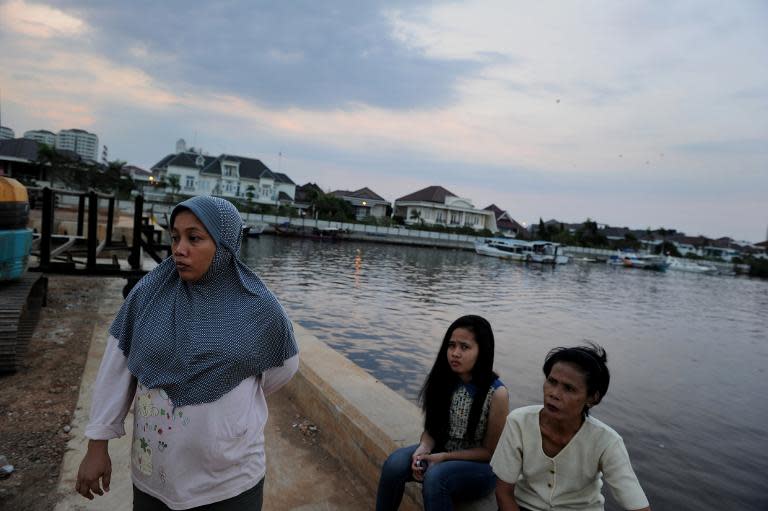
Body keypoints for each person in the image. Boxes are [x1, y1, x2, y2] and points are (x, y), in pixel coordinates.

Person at [75, 196, 299, 510]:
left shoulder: (259, 307)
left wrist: (227, 396)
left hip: (230, 482)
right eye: (175, 237)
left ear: (225, 244)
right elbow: (117, 368)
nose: (179, 249)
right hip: (155, 476)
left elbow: (282, 367)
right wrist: (97, 444)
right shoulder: (147, 296)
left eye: (194, 238)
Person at [491, 344, 651, 511]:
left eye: (569, 388)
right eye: (551, 381)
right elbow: (503, 492)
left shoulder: (607, 441)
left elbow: (638, 506)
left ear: (592, 398)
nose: (554, 394)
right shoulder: (519, 422)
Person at [376, 315, 509, 510]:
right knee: (394, 464)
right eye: (451, 345)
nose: (455, 353)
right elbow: (432, 430)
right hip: (440, 453)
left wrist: (446, 457)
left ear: (482, 351)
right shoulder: (442, 379)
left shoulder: (497, 393)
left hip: (479, 469)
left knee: (435, 477)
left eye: (464, 347)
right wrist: (423, 448)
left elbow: (490, 453)